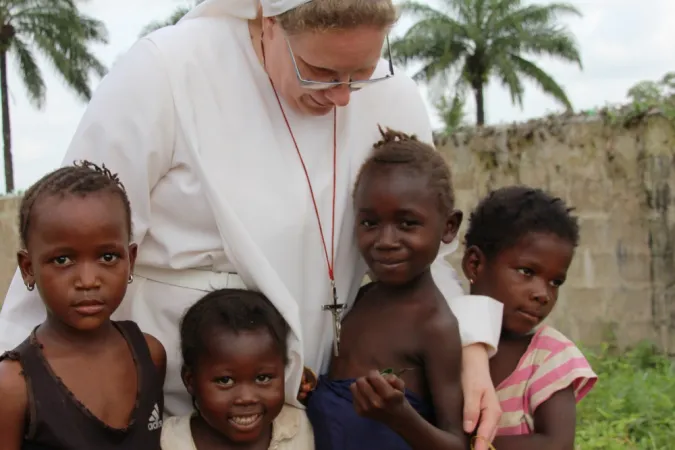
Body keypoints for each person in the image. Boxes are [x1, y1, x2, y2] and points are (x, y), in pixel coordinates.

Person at [0, 0, 503, 446]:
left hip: (326, 403)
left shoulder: (393, 97)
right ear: (266, 21)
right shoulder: (166, 73)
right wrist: (24, 381)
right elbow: (67, 232)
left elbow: (430, 259)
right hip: (187, 400)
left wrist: (472, 349)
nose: (344, 96)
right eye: (319, 71)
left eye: (362, 73)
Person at [307, 128, 469, 450]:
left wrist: (401, 417)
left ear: (448, 227)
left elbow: (457, 444)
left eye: (407, 223)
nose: (385, 242)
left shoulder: (434, 326)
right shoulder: (362, 298)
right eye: (370, 223)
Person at [0, 162, 167, 449]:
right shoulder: (13, 385)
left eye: (107, 257)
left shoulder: (150, 355)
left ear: (131, 260)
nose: (88, 281)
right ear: (28, 268)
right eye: (63, 260)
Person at [461, 186, 598, 449]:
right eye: (526, 271)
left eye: (555, 282)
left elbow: (557, 444)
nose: (543, 294)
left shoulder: (549, 356)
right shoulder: (446, 343)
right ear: (475, 264)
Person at [161, 288, 314, 449]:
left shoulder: (305, 430)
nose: (247, 398)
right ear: (190, 381)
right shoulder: (169, 442)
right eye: (225, 380)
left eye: (263, 378)